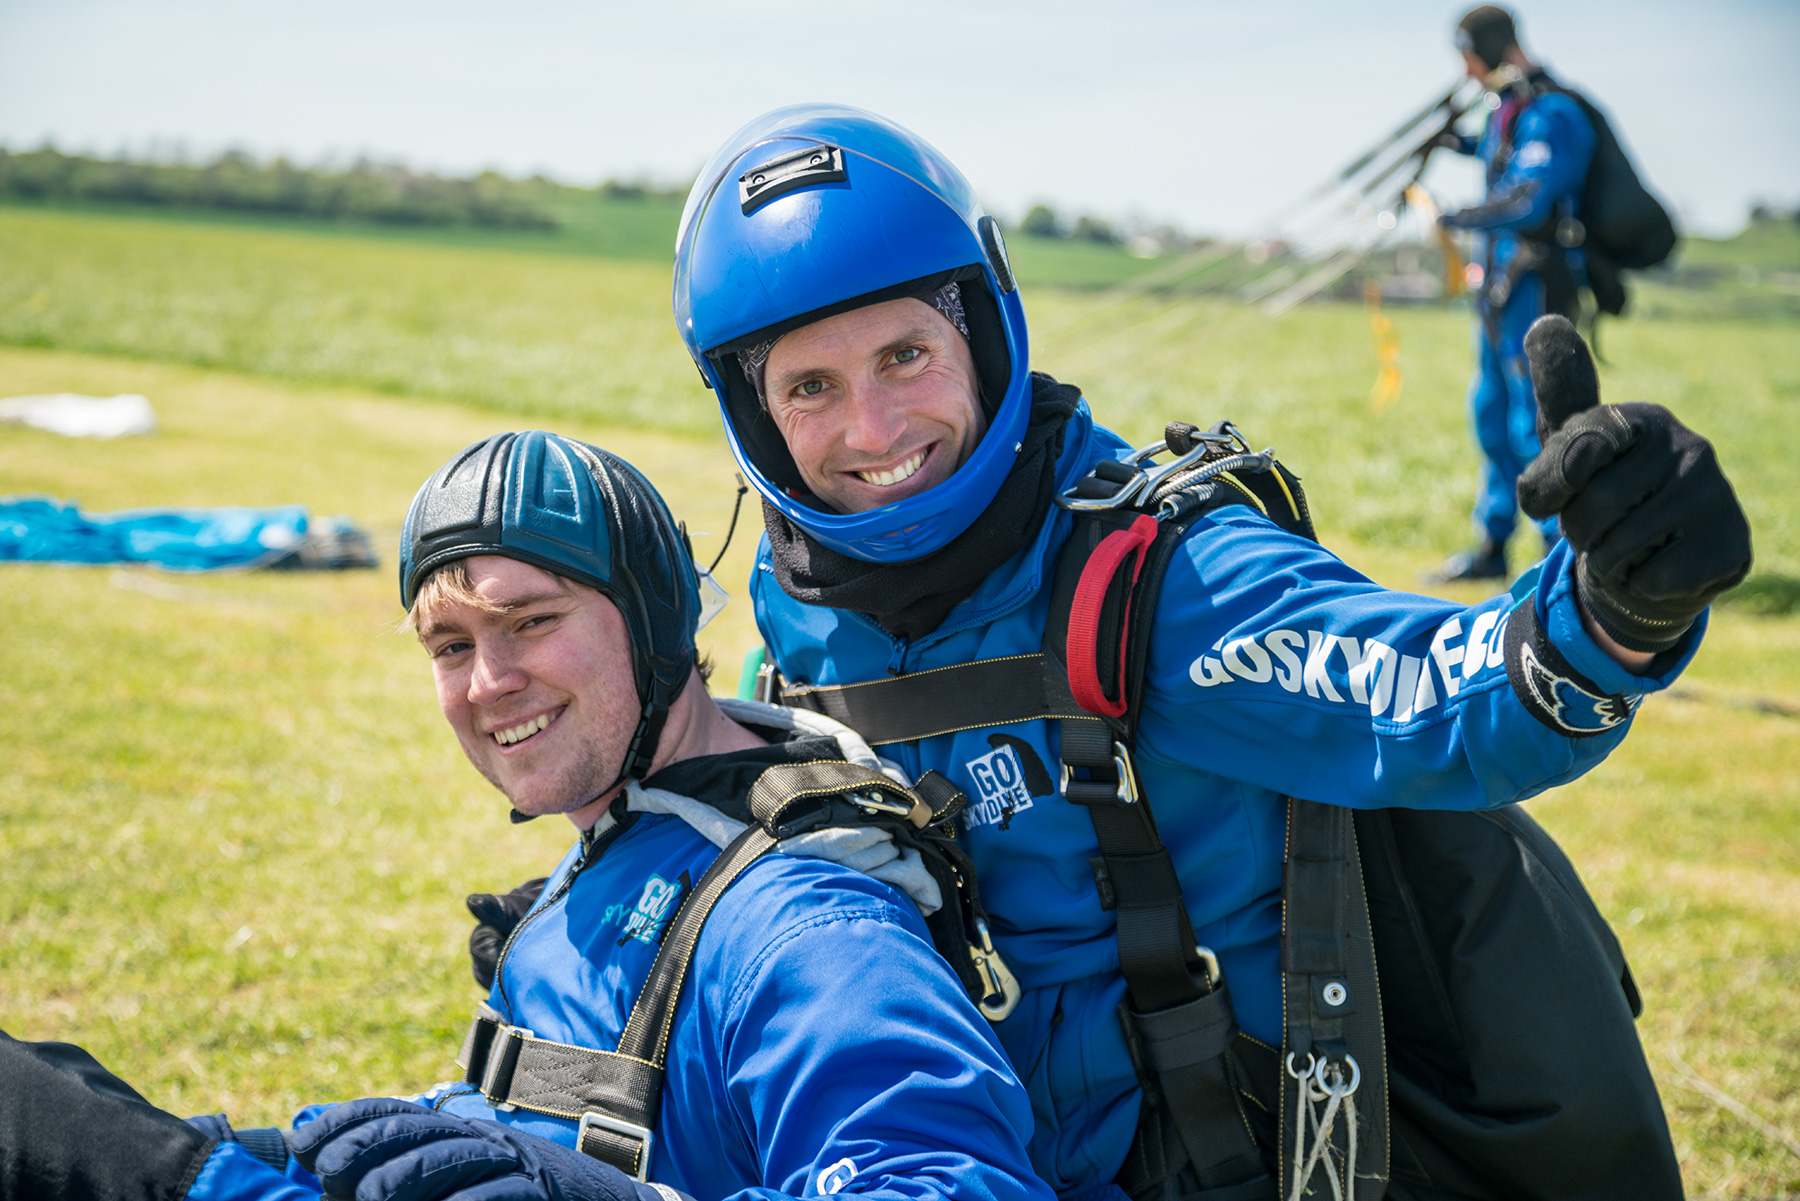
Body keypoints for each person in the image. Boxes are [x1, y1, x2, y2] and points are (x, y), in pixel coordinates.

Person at [666, 103, 1752, 1199]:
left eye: (906, 354)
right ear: (754, 418)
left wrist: (1617, 610)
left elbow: (1443, 695)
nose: (874, 428)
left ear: (983, 339)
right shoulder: (794, 621)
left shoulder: (1163, 580)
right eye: (811, 386)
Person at [0, 431, 1052, 1201]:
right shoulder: (626, 840)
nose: (487, 682)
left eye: (531, 621)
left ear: (654, 623)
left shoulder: (804, 918)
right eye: (450, 645)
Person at [1428, 5, 1597, 582]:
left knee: (1537, 422)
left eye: (1471, 59)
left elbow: (1529, 197)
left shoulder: (1553, 110)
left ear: (1494, 51)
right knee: (1492, 412)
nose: (1469, 73)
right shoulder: (1509, 111)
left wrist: (1455, 216)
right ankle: (1492, 544)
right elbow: (1499, 162)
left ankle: (1564, 558)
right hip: (1499, 290)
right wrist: (1454, 142)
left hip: (1538, 288)